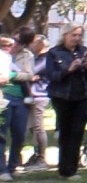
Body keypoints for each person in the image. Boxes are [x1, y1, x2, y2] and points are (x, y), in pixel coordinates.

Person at [44, 24, 87, 180]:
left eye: (79, 35)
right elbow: (51, 76)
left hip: (82, 96)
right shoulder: (54, 53)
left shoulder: (84, 51)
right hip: (62, 97)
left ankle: (72, 169)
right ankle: (64, 169)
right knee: (65, 132)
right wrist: (69, 69)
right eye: (74, 35)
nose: (77, 38)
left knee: (77, 132)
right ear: (65, 35)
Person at [1, 28, 37, 181]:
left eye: (20, 42)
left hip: (20, 99)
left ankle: (13, 165)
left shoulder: (27, 55)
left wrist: (12, 75)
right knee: (1, 134)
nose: (15, 44)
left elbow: (29, 75)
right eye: (14, 39)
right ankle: (2, 170)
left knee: (19, 134)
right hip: (3, 95)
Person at [23, 34, 50, 171]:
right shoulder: (37, 58)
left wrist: (27, 75)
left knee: (38, 127)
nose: (30, 45)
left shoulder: (45, 59)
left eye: (33, 43)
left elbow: (30, 73)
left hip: (39, 95)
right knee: (34, 127)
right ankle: (36, 154)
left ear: (41, 44)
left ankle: (41, 158)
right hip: (32, 95)